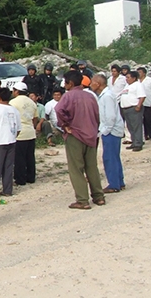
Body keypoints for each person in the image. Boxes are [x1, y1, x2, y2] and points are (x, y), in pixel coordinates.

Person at [55, 71, 105, 210]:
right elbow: (97, 115)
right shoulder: (90, 96)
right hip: (91, 134)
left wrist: (65, 124)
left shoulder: (68, 96)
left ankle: (82, 200)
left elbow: (58, 110)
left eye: (65, 82)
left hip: (75, 134)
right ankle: (99, 196)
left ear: (70, 83)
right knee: (92, 166)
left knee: (76, 168)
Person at [90, 74, 126, 193]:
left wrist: (104, 131)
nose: (90, 85)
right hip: (110, 129)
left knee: (109, 157)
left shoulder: (107, 96)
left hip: (111, 131)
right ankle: (119, 181)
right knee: (114, 156)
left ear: (98, 84)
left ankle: (114, 184)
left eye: (92, 82)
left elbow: (110, 116)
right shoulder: (104, 95)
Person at [9, 82, 38, 186]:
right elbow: (35, 118)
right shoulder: (32, 102)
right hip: (30, 131)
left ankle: (20, 179)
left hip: (20, 133)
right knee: (30, 156)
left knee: (19, 158)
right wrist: (32, 127)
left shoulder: (13, 102)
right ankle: (31, 177)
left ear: (16, 91)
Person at [120, 71, 146, 152]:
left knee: (136, 126)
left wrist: (138, 106)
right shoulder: (127, 86)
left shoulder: (138, 85)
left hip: (134, 107)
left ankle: (138, 143)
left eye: (128, 77)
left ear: (134, 78)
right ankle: (134, 142)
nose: (126, 79)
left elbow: (142, 96)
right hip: (126, 108)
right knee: (130, 126)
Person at [138, 67, 151, 142]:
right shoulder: (137, 81)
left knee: (150, 119)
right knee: (142, 120)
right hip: (139, 103)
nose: (139, 73)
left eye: (140, 72)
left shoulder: (150, 80)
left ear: (144, 73)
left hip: (148, 102)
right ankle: (146, 135)